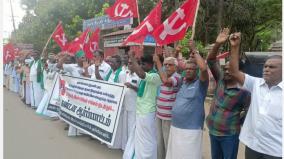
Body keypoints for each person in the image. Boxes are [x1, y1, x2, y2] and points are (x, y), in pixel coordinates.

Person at [229, 32, 282, 159]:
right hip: (253, 147)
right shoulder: (256, 84)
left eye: (272, 67)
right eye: (265, 66)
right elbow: (234, 72)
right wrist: (235, 47)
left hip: (275, 151)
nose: (266, 69)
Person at [205, 28, 251, 159]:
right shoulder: (220, 79)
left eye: (229, 69)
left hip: (229, 136)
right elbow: (211, 61)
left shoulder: (244, 91)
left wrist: (236, 121)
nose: (225, 71)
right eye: (225, 69)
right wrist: (218, 43)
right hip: (213, 131)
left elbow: (248, 110)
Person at [166, 40, 209, 159]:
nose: (188, 70)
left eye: (192, 69)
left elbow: (204, 69)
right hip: (175, 127)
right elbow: (170, 69)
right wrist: (176, 52)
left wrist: (194, 50)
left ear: (197, 72)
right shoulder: (182, 82)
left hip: (191, 131)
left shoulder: (201, 84)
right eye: (187, 68)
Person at [128, 52, 162, 159]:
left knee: (148, 140)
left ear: (151, 65)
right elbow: (141, 91)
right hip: (140, 111)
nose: (142, 66)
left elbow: (141, 74)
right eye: (141, 64)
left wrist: (133, 58)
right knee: (140, 140)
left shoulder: (155, 76)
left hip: (148, 112)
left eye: (144, 64)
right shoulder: (146, 77)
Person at [153, 55, 181, 159]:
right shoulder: (164, 75)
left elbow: (166, 81)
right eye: (165, 64)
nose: (167, 66)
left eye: (170, 65)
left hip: (168, 117)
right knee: (159, 142)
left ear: (176, 67)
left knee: (167, 142)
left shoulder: (177, 77)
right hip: (159, 114)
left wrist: (158, 62)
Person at [106, 55, 127, 150]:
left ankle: (117, 144)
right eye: (110, 62)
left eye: (113, 62)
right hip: (110, 102)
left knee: (118, 124)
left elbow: (123, 88)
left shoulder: (122, 73)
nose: (110, 64)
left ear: (119, 63)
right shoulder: (110, 72)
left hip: (118, 103)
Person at [122, 58, 141, 150]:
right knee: (126, 128)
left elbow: (141, 91)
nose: (129, 65)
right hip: (126, 105)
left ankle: (132, 149)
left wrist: (132, 86)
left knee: (132, 128)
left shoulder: (140, 76)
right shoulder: (127, 74)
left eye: (131, 63)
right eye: (128, 63)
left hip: (134, 106)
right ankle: (127, 148)